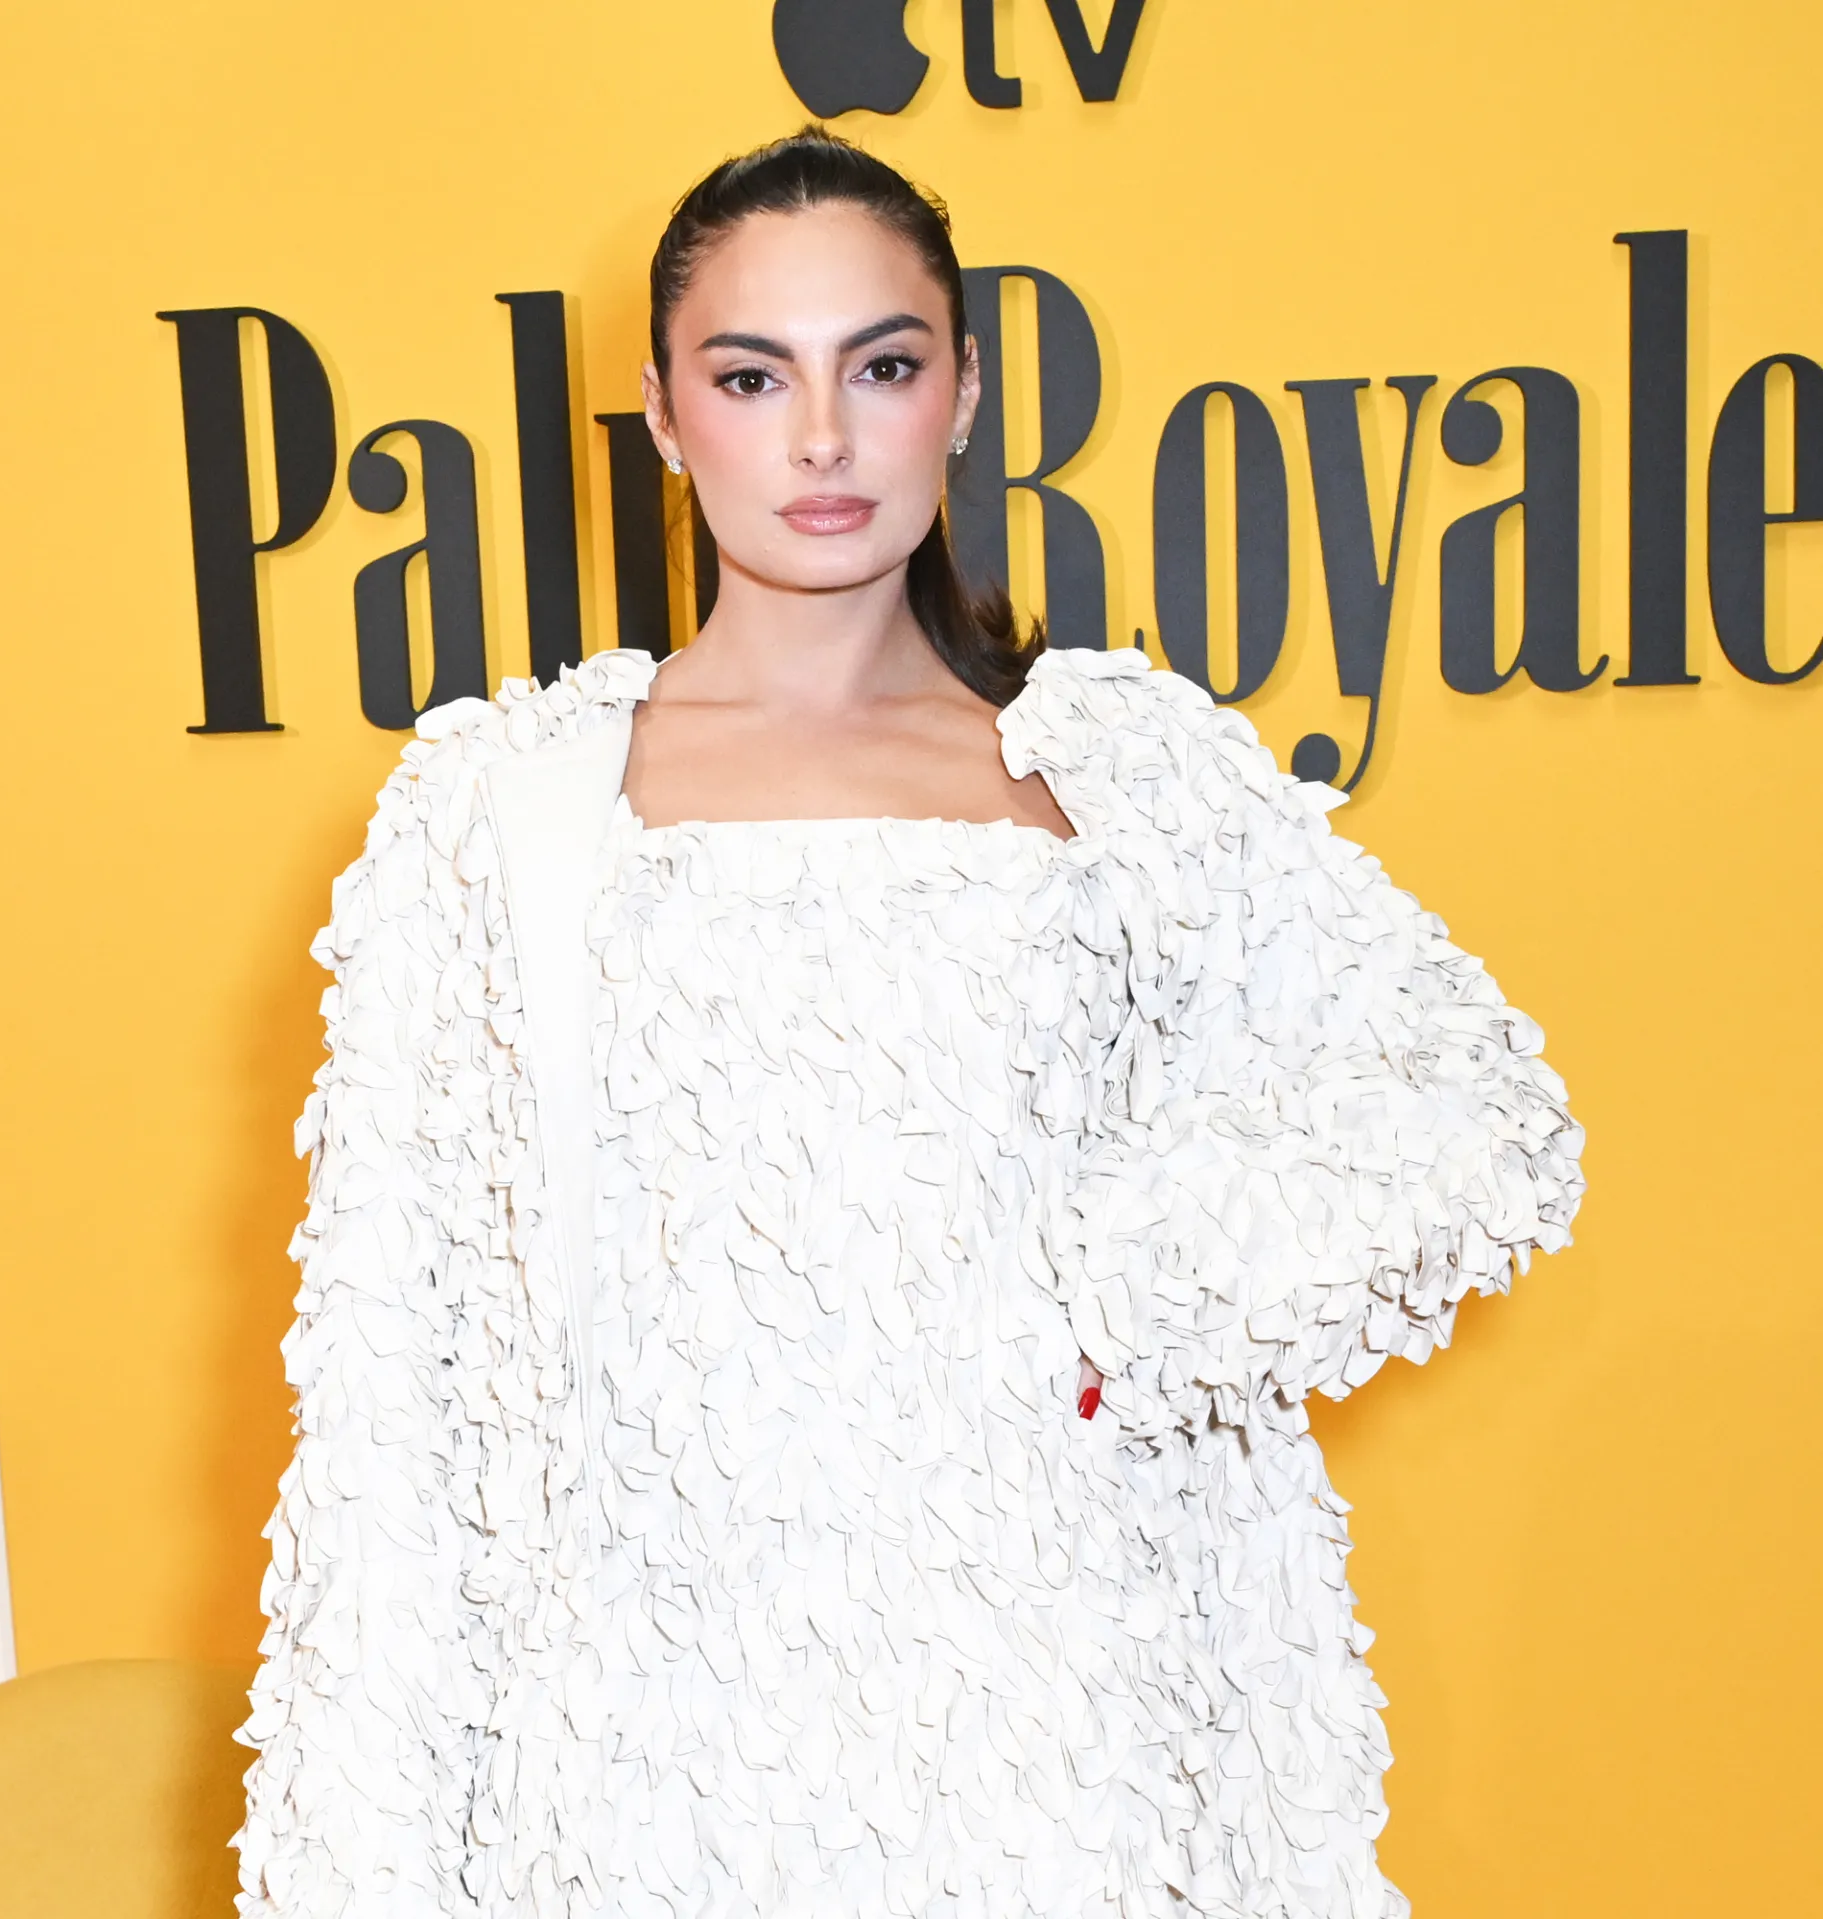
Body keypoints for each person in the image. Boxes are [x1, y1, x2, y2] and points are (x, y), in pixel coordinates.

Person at [233, 128, 1584, 1919]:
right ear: (661, 416)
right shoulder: (498, 811)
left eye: (878, 366)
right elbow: (391, 1400)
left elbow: (1467, 1104)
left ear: (961, 393)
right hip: (649, 1738)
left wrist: (1128, 1303)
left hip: (1064, 1710)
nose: (820, 437)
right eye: (750, 377)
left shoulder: (1118, 773)